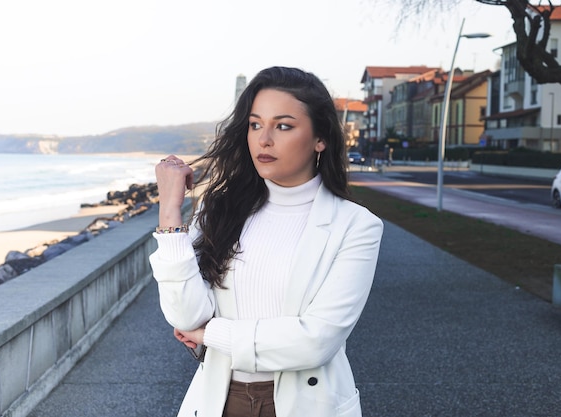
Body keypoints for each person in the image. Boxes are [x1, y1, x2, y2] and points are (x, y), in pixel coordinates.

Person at [149, 66, 384, 417]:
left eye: (283, 126)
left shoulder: (356, 226)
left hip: (308, 404)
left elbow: (315, 340)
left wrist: (211, 334)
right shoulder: (219, 211)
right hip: (219, 400)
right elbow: (184, 315)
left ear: (320, 138)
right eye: (256, 124)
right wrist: (170, 212)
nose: (264, 139)